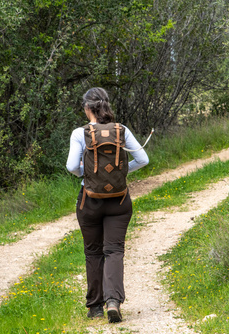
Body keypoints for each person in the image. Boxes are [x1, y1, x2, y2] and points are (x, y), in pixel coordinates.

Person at [66, 87, 149, 323]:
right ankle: (113, 301)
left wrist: (87, 175)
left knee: (93, 252)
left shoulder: (79, 133)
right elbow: (143, 159)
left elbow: (72, 167)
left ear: (87, 108)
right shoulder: (122, 130)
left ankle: (94, 307)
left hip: (89, 201)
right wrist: (121, 171)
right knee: (114, 250)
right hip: (119, 201)